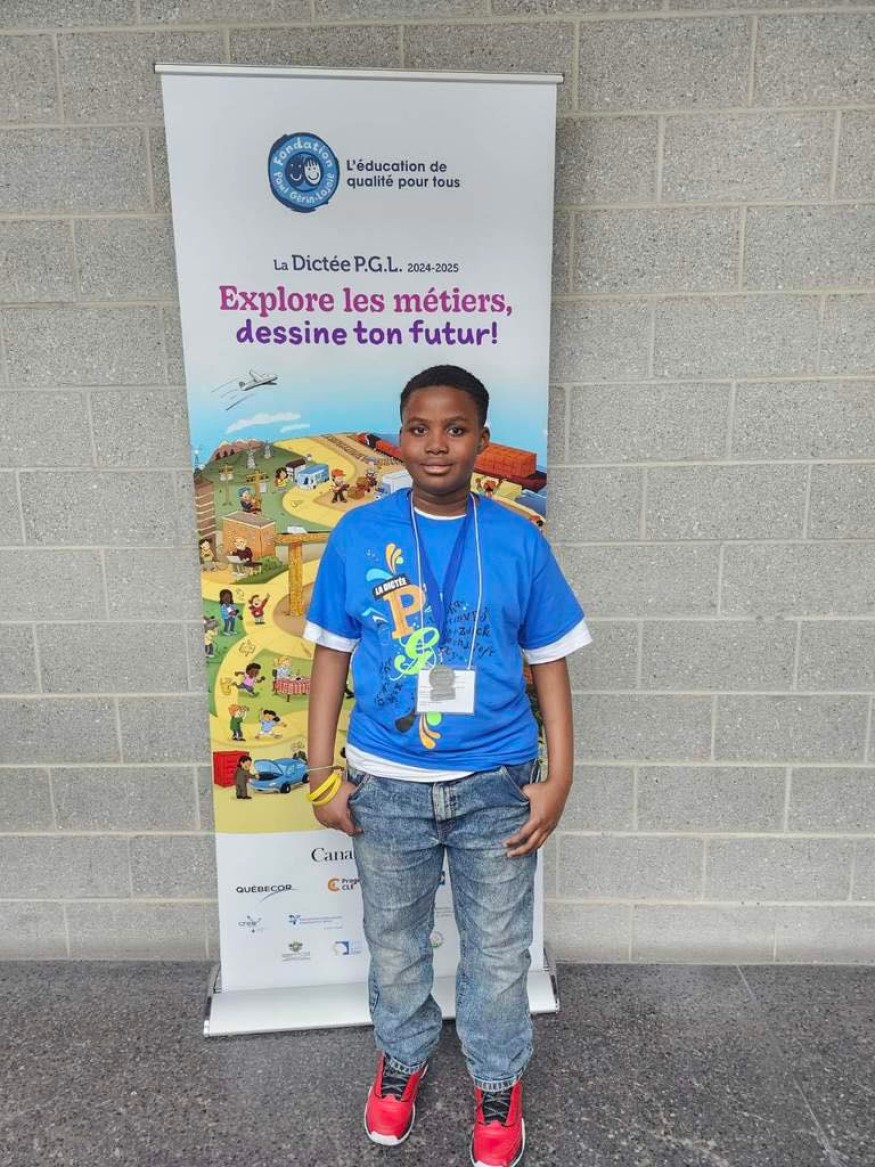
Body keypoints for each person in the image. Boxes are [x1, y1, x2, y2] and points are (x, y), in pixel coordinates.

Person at [304, 365, 590, 1167]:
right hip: (385, 784)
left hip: (497, 784)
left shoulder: (518, 539)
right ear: (399, 438)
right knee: (395, 942)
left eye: (456, 428)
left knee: (497, 952)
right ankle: (402, 1057)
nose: (436, 444)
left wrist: (560, 776)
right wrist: (320, 770)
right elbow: (330, 654)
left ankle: (496, 1079)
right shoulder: (358, 534)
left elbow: (550, 660)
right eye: (420, 428)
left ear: (481, 441)